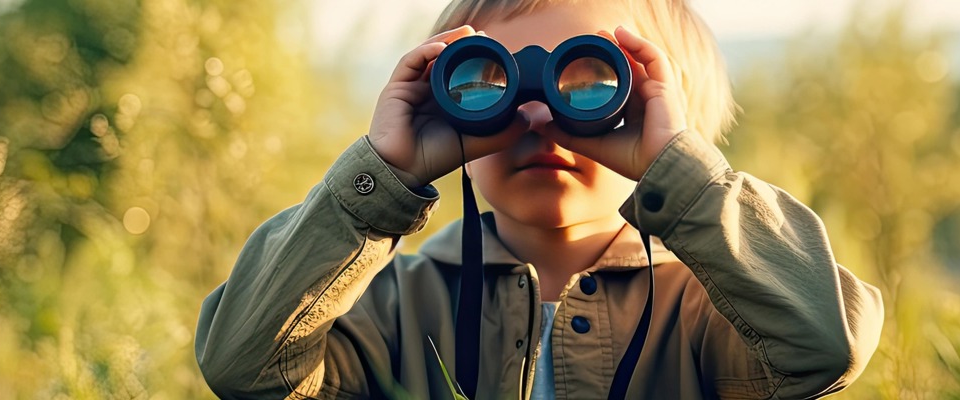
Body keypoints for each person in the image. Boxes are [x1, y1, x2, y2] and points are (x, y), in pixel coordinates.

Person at [194, 0, 884, 398]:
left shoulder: (712, 307)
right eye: (487, 84)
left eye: (587, 82)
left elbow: (823, 347)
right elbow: (244, 368)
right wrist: (380, 177)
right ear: (442, 105)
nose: (535, 115)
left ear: (663, 115)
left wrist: (680, 170)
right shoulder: (388, 306)